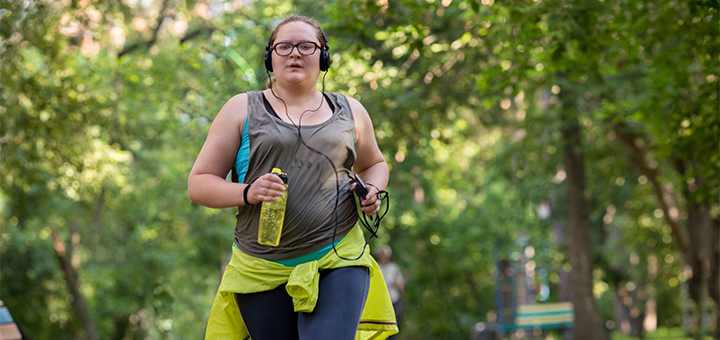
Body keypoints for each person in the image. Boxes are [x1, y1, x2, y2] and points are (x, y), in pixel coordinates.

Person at [188, 15, 397, 340]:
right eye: (284, 46)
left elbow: (375, 164)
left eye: (306, 46)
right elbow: (199, 183)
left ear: (323, 56)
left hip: (338, 257)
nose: (295, 54)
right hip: (261, 267)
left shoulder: (351, 111)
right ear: (270, 57)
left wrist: (372, 189)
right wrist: (247, 192)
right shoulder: (241, 109)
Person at [375, 245, 406, 340]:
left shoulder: (393, 267)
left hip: (393, 300)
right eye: (381, 254)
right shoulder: (376, 266)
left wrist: (398, 284)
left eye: (385, 254)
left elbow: (402, 285)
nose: (383, 256)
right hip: (379, 302)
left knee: (393, 324)